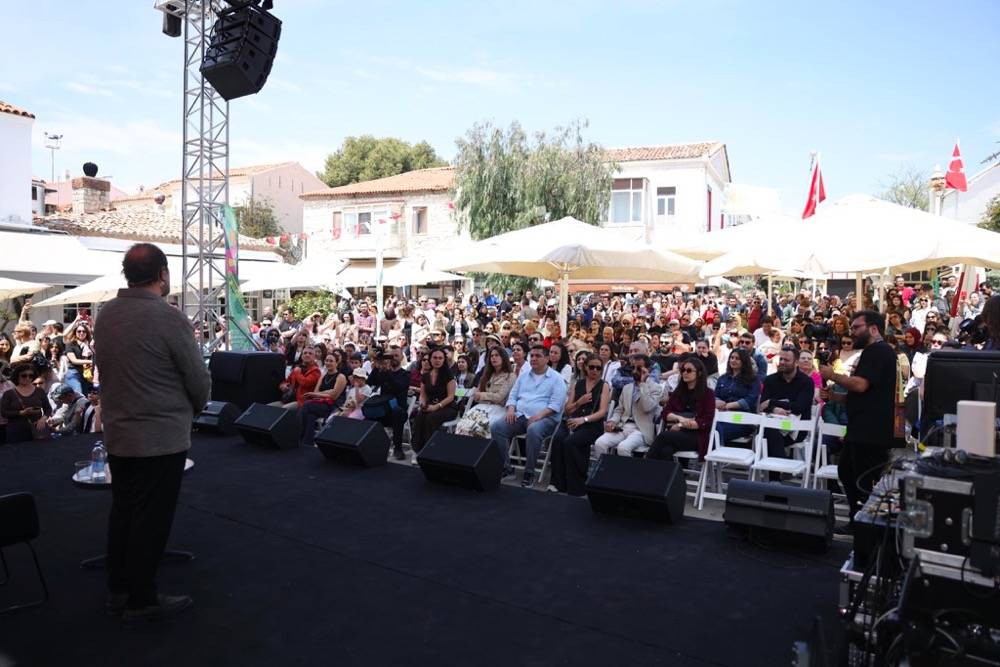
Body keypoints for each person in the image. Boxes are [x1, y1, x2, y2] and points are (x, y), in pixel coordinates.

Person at [94, 243, 210, 622]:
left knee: (123, 511)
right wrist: (195, 406)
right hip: (160, 437)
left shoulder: (105, 314)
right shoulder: (169, 317)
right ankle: (142, 597)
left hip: (120, 433)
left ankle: (118, 589)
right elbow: (196, 377)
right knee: (152, 519)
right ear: (163, 273)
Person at [819, 310, 897, 531]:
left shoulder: (879, 351)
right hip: (861, 426)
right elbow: (865, 393)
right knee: (847, 471)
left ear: (873, 328)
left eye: (856, 327)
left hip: (871, 429)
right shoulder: (872, 352)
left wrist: (832, 374)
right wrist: (836, 397)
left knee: (863, 478)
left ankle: (866, 524)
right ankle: (858, 519)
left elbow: (861, 385)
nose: (852, 332)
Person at [490, 344, 567, 487]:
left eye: (538, 356)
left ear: (547, 358)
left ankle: (529, 472)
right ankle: (507, 468)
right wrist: (511, 409)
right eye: (532, 355)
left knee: (533, 430)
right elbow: (513, 395)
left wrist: (539, 416)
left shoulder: (556, 378)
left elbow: (556, 405)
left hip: (546, 418)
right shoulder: (524, 376)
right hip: (520, 415)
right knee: (497, 428)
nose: (534, 358)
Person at [548, 353, 611, 495]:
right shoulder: (578, 384)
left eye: (598, 368)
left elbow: (602, 412)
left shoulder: (604, 386)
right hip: (572, 420)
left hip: (591, 424)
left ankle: (577, 486)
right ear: (585, 368)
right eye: (592, 367)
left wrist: (584, 420)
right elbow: (568, 408)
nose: (595, 370)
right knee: (558, 440)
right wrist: (579, 402)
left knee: (571, 442)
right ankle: (558, 483)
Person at [758, 347, 815, 476]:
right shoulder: (771, 380)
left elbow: (800, 406)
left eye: (786, 360)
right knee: (771, 432)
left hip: (797, 427)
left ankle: (776, 477)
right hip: (774, 424)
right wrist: (774, 409)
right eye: (781, 359)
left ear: (796, 363)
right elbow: (763, 405)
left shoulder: (806, 382)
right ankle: (781, 471)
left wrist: (773, 402)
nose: (782, 362)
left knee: (769, 436)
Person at [593, 353, 662, 458]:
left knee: (623, 448)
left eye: (639, 368)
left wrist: (643, 384)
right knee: (600, 443)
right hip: (622, 427)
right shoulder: (627, 388)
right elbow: (619, 410)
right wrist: (612, 421)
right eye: (633, 367)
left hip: (641, 430)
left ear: (648, 369)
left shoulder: (655, 388)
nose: (634, 371)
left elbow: (647, 407)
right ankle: (606, 472)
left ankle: (625, 474)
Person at [646, 357, 715, 461]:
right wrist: (680, 419)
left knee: (663, 436)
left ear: (699, 373)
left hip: (697, 436)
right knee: (666, 451)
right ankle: (673, 476)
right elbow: (665, 413)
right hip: (677, 434)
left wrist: (680, 425)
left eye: (689, 370)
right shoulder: (679, 392)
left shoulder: (707, 394)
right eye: (683, 370)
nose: (685, 373)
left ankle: (644, 469)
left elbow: (705, 421)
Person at [454, 346, 515, 439]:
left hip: (498, 409)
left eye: (497, 355)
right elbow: (476, 394)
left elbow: (499, 397)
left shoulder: (510, 376)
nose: (493, 358)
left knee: (479, 429)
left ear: (503, 357)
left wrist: (482, 395)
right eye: (491, 356)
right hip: (481, 407)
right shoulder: (486, 375)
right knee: (462, 426)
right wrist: (478, 395)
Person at [366, 346, 412, 461]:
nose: (393, 358)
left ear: (402, 357)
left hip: (398, 411)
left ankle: (398, 448)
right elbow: (370, 382)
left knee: (397, 412)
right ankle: (370, 445)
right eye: (391, 356)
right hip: (383, 409)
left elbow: (398, 387)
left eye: (396, 355)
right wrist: (377, 366)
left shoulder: (405, 374)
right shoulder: (383, 371)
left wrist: (386, 371)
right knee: (368, 409)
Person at [410, 347, 458, 455]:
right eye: (435, 357)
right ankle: (417, 449)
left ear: (444, 360)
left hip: (447, 407)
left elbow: (451, 397)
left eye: (440, 358)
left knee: (430, 418)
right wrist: (422, 404)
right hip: (431, 404)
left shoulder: (448, 375)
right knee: (420, 416)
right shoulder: (425, 376)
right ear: (430, 359)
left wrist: (436, 407)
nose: (437, 360)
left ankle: (430, 450)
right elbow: (423, 395)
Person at [296, 354, 348, 447]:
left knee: (307, 405)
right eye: (327, 360)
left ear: (337, 363)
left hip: (333, 406)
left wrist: (318, 394)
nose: (328, 363)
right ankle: (306, 443)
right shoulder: (323, 376)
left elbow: (334, 396)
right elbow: (316, 391)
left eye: (331, 361)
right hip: (320, 403)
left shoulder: (341, 377)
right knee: (310, 415)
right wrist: (327, 392)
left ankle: (297, 437)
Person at [712, 347, 761, 446]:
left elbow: (750, 400)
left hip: (742, 418)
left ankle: (714, 457)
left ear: (744, 361)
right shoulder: (723, 378)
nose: (733, 360)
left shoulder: (753, 380)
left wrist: (727, 406)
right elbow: (715, 396)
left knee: (715, 429)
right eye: (732, 357)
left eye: (737, 358)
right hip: (721, 416)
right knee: (711, 426)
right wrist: (717, 402)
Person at [0, 362, 52, 443]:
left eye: (30, 376)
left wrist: (43, 419)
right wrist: (21, 413)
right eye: (24, 375)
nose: (27, 378)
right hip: (16, 432)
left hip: (38, 431)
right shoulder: (9, 393)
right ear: (18, 376)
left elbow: (48, 409)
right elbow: (4, 413)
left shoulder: (39, 391)